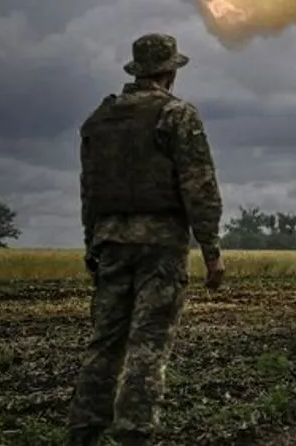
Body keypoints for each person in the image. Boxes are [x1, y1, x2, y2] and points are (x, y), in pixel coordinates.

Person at [66, 33, 226, 446]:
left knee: (104, 342)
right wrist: (212, 252)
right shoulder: (177, 115)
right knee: (148, 342)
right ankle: (133, 434)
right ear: (170, 72)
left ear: (138, 70)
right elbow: (199, 187)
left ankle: (84, 430)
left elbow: (90, 192)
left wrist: (91, 246)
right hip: (159, 245)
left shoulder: (98, 121)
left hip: (110, 242)